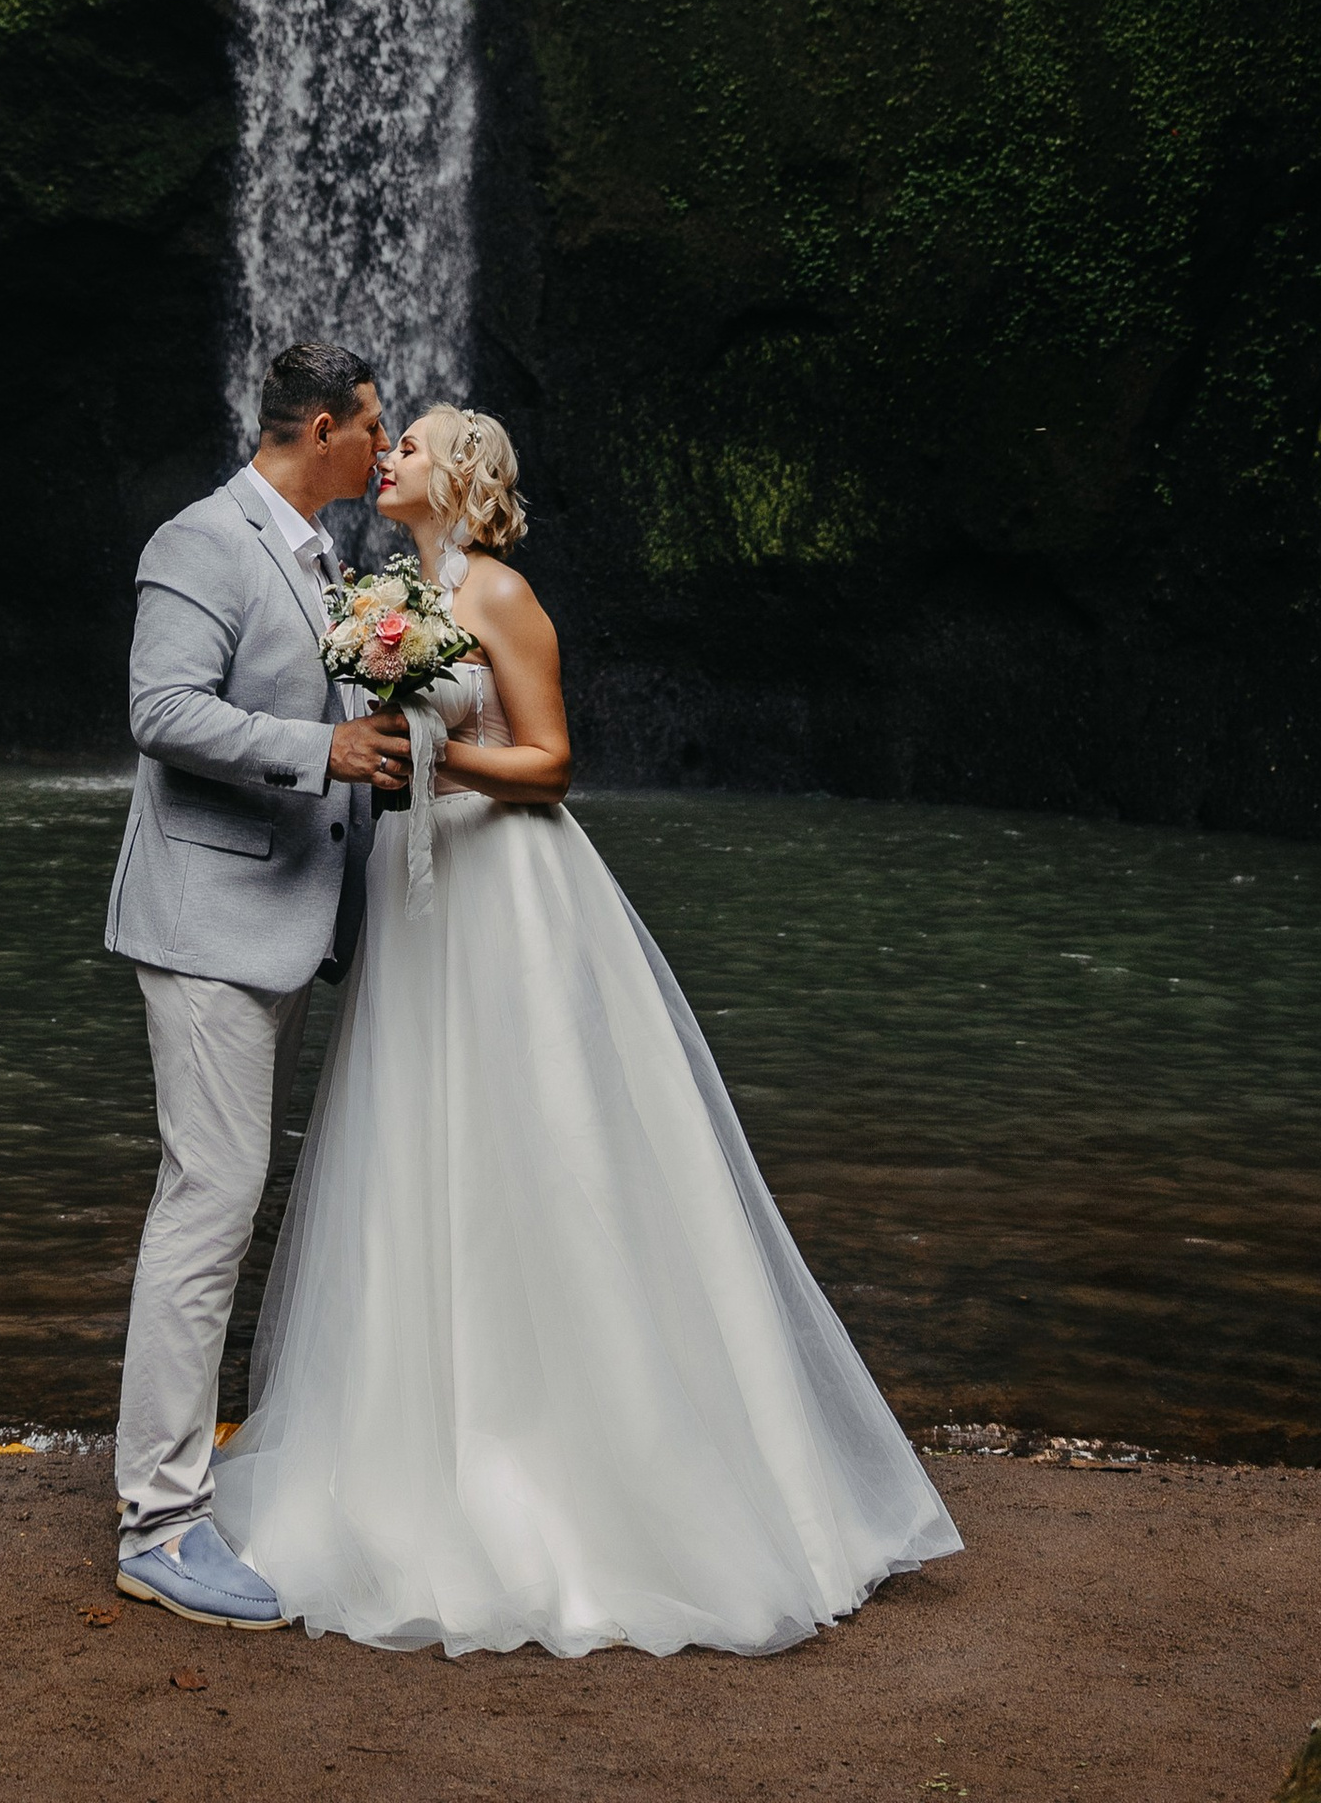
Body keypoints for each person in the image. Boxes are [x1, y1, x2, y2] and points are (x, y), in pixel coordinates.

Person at [209, 401, 964, 1657]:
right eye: (386, 441)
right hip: (420, 904)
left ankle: (589, 1454)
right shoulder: (392, 592)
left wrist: (431, 756)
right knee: (416, 1149)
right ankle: (410, 1441)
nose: (387, 454)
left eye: (412, 444)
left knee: (543, 1148)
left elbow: (553, 763)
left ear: (462, 474)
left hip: (505, 891)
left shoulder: (499, 594)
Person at [101, 336, 411, 1630]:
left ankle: (181, 1484)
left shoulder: (320, 555)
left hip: (280, 920)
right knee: (209, 1203)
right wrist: (323, 749)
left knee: (223, 1198)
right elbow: (162, 710)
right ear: (323, 428)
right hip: (206, 927)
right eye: (375, 425)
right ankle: (159, 1525)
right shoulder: (201, 539)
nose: (387, 448)